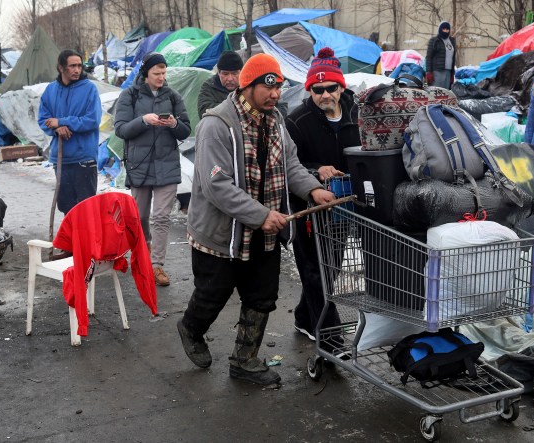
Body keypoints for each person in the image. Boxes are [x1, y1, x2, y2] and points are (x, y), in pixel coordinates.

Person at [177, 54, 335, 386]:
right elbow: (216, 185)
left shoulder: (276, 121)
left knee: (261, 296)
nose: (276, 93)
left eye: (278, 86)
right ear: (248, 86)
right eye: (268, 86)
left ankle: (244, 360)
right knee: (212, 295)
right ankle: (191, 328)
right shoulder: (216, 125)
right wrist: (261, 215)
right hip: (222, 233)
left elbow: (290, 164)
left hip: (265, 231)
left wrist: (313, 190)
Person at [284, 47, 360, 349]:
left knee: (330, 267)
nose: (325, 94)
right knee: (315, 269)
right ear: (310, 90)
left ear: (341, 86)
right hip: (309, 205)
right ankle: (329, 336)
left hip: (344, 205)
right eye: (318, 90)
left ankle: (305, 316)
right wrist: (316, 171)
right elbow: (289, 165)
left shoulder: (357, 113)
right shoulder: (298, 121)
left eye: (331, 88)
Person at [114, 52, 191, 287]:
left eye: (164, 72)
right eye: (157, 73)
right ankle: (144, 247)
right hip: (139, 165)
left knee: (161, 216)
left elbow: (186, 130)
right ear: (145, 73)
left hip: (167, 164)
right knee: (141, 217)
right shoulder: (130, 96)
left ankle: (157, 265)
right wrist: (144, 120)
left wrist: (174, 124)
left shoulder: (173, 96)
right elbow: (120, 130)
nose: (161, 77)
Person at [38, 49, 102, 216]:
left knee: (86, 209)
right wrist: (56, 128)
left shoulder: (89, 89)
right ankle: (72, 242)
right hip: (61, 158)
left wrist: (63, 121)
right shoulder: (50, 90)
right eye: (72, 66)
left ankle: (86, 242)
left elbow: (92, 120)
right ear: (61, 68)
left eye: (79, 66)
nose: (77, 70)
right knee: (67, 207)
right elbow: (43, 119)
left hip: (84, 159)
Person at [197, 51, 244, 118]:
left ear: (241, 72)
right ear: (218, 73)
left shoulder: (248, 86)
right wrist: (237, 106)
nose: (230, 79)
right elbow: (204, 110)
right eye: (225, 74)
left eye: (234, 73)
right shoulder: (209, 86)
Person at [425, 21, 456, 89]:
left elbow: (453, 58)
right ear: (440, 29)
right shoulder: (434, 40)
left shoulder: (452, 41)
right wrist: (429, 72)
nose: (445, 31)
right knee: (437, 91)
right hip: (437, 71)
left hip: (448, 71)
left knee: (446, 91)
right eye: (443, 29)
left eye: (447, 29)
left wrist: (452, 73)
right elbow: (429, 57)